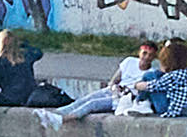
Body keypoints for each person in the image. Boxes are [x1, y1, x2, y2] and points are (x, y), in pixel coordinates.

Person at [36, 42, 167, 128]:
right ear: (139, 52)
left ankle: (62, 120)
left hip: (125, 99)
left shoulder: (151, 73)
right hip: (114, 91)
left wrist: (124, 90)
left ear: (153, 58)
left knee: (92, 104)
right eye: (144, 53)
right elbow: (114, 80)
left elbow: (141, 92)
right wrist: (113, 86)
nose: (146, 57)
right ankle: (54, 114)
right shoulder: (129, 62)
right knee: (86, 98)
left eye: (150, 55)